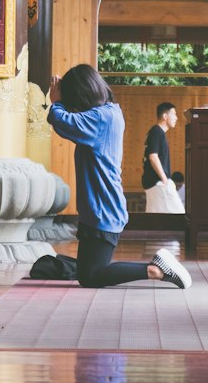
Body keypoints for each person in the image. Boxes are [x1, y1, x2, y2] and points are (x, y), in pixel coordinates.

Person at [48, 65, 191, 290]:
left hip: (103, 210)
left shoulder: (100, 118)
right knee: (87, 272)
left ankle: (156, 269)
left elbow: (62, 121)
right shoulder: (109, 112)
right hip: (99, 209)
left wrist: (56, 102)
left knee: (92, 277)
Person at [142, 101, 181, 214]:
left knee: (154, 218)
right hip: (158, 182)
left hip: (153, 182)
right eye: (173, 114)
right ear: (165, 116)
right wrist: (165, 179)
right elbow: (153, 156)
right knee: (178, 214)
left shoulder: (154, 132)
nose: (176, 118)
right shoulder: (157, 132)